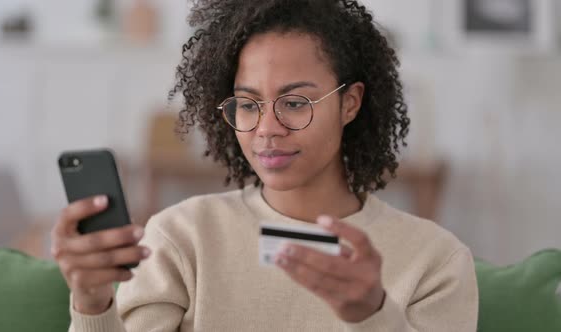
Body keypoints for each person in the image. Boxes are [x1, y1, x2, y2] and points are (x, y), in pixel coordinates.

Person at [52, 0, 478, 331]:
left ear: (350, 103)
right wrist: (91, 303)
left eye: (294, 103)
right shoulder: (183, 237)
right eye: (248, 104)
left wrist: (372, 314)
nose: (267, 129)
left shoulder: (434, 261)